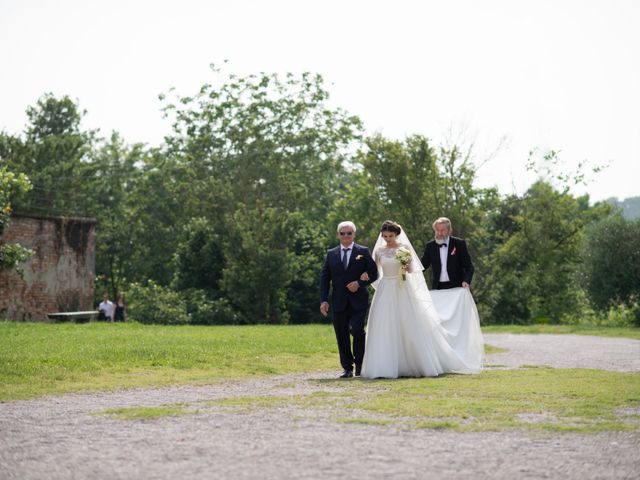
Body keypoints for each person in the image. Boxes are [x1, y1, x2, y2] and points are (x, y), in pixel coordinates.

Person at [360, 220, 483, 379]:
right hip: (385, 289)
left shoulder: (404, 249)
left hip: (401, 288)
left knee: (408, 322)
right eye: (385, 236)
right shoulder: (379, 251)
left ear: (396, 234)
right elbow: (374, 271)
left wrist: (406, 265)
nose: (387, 239)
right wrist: (365, 275)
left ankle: (413, 362)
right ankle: (384, 364)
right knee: (384, 323)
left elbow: (413, 269)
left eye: (390, 236)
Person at [320, 221, 378, 378]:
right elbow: (325, 278)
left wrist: (359, 283)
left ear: (354, 235)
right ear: (338, 235)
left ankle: (360, 364)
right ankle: (347, 368)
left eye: (349, 233)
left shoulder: (363, 251)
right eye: (343, 233)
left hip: (358, 301)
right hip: (338, 301)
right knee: (341, 334)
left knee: (357, 330)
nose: (346, 236)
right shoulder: (331, 254)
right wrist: (323, 300)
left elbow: (374, 273)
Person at [420, 217, 474, 290]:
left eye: (442, 230)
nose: (439, 233)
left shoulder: (459, 244)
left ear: (449, 231)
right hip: (438, 288)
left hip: (457, 287)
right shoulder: (430, 246)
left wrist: (466, 281)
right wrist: (409, 272)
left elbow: (469, 267)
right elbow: (422, 266)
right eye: (437, 230)